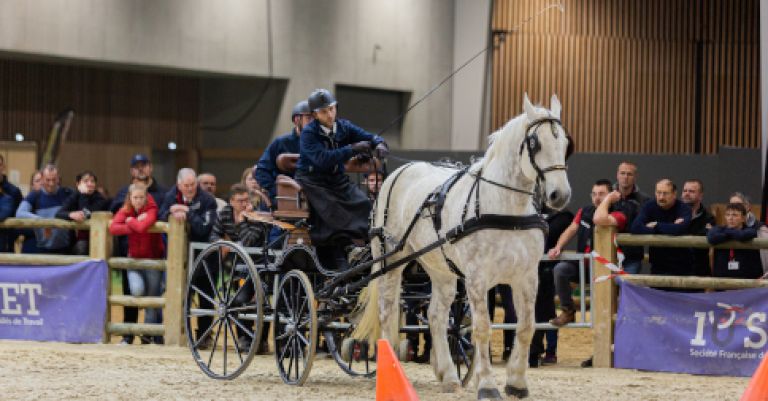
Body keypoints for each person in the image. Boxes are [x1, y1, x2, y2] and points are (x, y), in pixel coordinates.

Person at [294, 88, 388, 271]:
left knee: (364, 205)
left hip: (336, 179)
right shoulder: (308, 134)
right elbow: (322, 159)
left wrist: (380, 143)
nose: (329, 115)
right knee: (334, 212)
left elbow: (368, 136)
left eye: (331, 109)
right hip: (313, 181)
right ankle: (344, 250)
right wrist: (352, 149)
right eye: (323, 111)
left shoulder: (344, 126)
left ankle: (363, 247)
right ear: (315, 114)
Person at [110, 153, 167, 345]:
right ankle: (128, 334)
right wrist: (133, 222)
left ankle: (152, 336)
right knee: (132, 294)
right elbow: (114, 215)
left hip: (154, 251)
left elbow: (162, 214)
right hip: (130, 252)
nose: (141, 169)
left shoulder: (161, 193)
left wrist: (129, 221)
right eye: (137, 166)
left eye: (144, 165)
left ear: (150, 168)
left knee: (154, 297)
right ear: (131, 170)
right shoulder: (122, 193)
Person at [549, 179, 624, 327]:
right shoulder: (584, 211)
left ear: (611, 195)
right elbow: (571, 229)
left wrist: (606, 203)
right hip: (583, 266)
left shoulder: (617, 212)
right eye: (594, 194)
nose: (597, 198)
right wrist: (558, 246)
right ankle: (568, 311)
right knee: (560, 269)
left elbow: (600, 218)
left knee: (607, 311)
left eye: (602, 194)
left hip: (606, 268)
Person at [160, 168, 218, 345]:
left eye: (193, 184)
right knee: (181, 296)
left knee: (206, 299)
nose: (190, 188)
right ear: (179, 185)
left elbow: (203, 229)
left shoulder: (208, 200)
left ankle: (204, 335)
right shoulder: (171, 195)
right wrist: (171, 211)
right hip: (180, 260)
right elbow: (160, 215)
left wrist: (187, 211)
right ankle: (179, 332)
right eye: (186, 185)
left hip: (206, 258)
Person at [210, 184, 267, 352]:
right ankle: (245, 338)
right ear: (232, 201)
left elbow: (250, 241)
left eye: (246, 200)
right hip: (235, 266)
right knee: (236, 303)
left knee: (260, 303)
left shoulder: (255, 215)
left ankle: (261, 340)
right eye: (240, 201)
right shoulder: (226, 213)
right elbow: (214, 234)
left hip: (258, 266)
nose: (244, 204)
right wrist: (222, 244)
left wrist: (243, 221)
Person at [630, 179, 693, 277]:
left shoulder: (684, 208)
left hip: (682, 263)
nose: (661, 197)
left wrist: (656, 225)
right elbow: (635, 227)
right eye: (658, 193)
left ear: (674, 194)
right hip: (658, 263)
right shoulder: (649, 206)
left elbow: (679, 229)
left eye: (665, 193)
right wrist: (668, 227)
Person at [255, 100, 314, 205]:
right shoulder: (281, 143)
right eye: (309, 118)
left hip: (312, 201)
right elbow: (261, 171)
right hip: (285, 201)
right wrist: (277, 192)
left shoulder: (321, 145)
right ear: (297, 120)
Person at [16, 164, 73, 254]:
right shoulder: (35, 195)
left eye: (54, 179)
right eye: (48, 180)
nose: (51, 183)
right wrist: (43, 222)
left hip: (64, 248)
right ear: (42, 179)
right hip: (42, 248)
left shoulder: (67, 193)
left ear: (58, 178)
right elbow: (19, 213)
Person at [56, 170, 109, 255]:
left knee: (82, 246)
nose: (89, 184)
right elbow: (58, 214)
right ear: (78, 184)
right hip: (74, 241)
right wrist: (70, 214)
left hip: (96, 241)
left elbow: (86, 214)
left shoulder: (100, 199)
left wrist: (84, 195)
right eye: (85, 181)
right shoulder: (75, 196)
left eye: (92, 181)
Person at [707, 203, 762, 279]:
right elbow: (711, 237)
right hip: (722, 281)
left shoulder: (750, 230)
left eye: (735, 215)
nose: (730, 218)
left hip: (747, 282)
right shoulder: (719, 229)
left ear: (743, 218)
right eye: (728, 215)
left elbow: (742, 235)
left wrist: (727, 232)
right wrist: (731, 233)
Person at [612, 162, 648, 273]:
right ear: (617, 175)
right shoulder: (608, 196)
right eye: (622, 173)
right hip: (608, 254)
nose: (625, 177)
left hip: (632, 257)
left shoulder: (644, 200)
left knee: (628, 288)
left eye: (629, 174)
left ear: (635, 177)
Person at [681, 179, 715, 276]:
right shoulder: (672, 214)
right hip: (675, 269)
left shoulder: (709, 218)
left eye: (691, 191)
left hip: (698, 271)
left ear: (700, 196)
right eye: (685, 191)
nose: (687, 194)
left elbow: (708, 238)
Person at [0, 155, 23, 251]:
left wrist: (13, 235)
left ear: (3, 167)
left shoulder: (14, 191)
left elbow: (19, 215)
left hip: (6, 244)